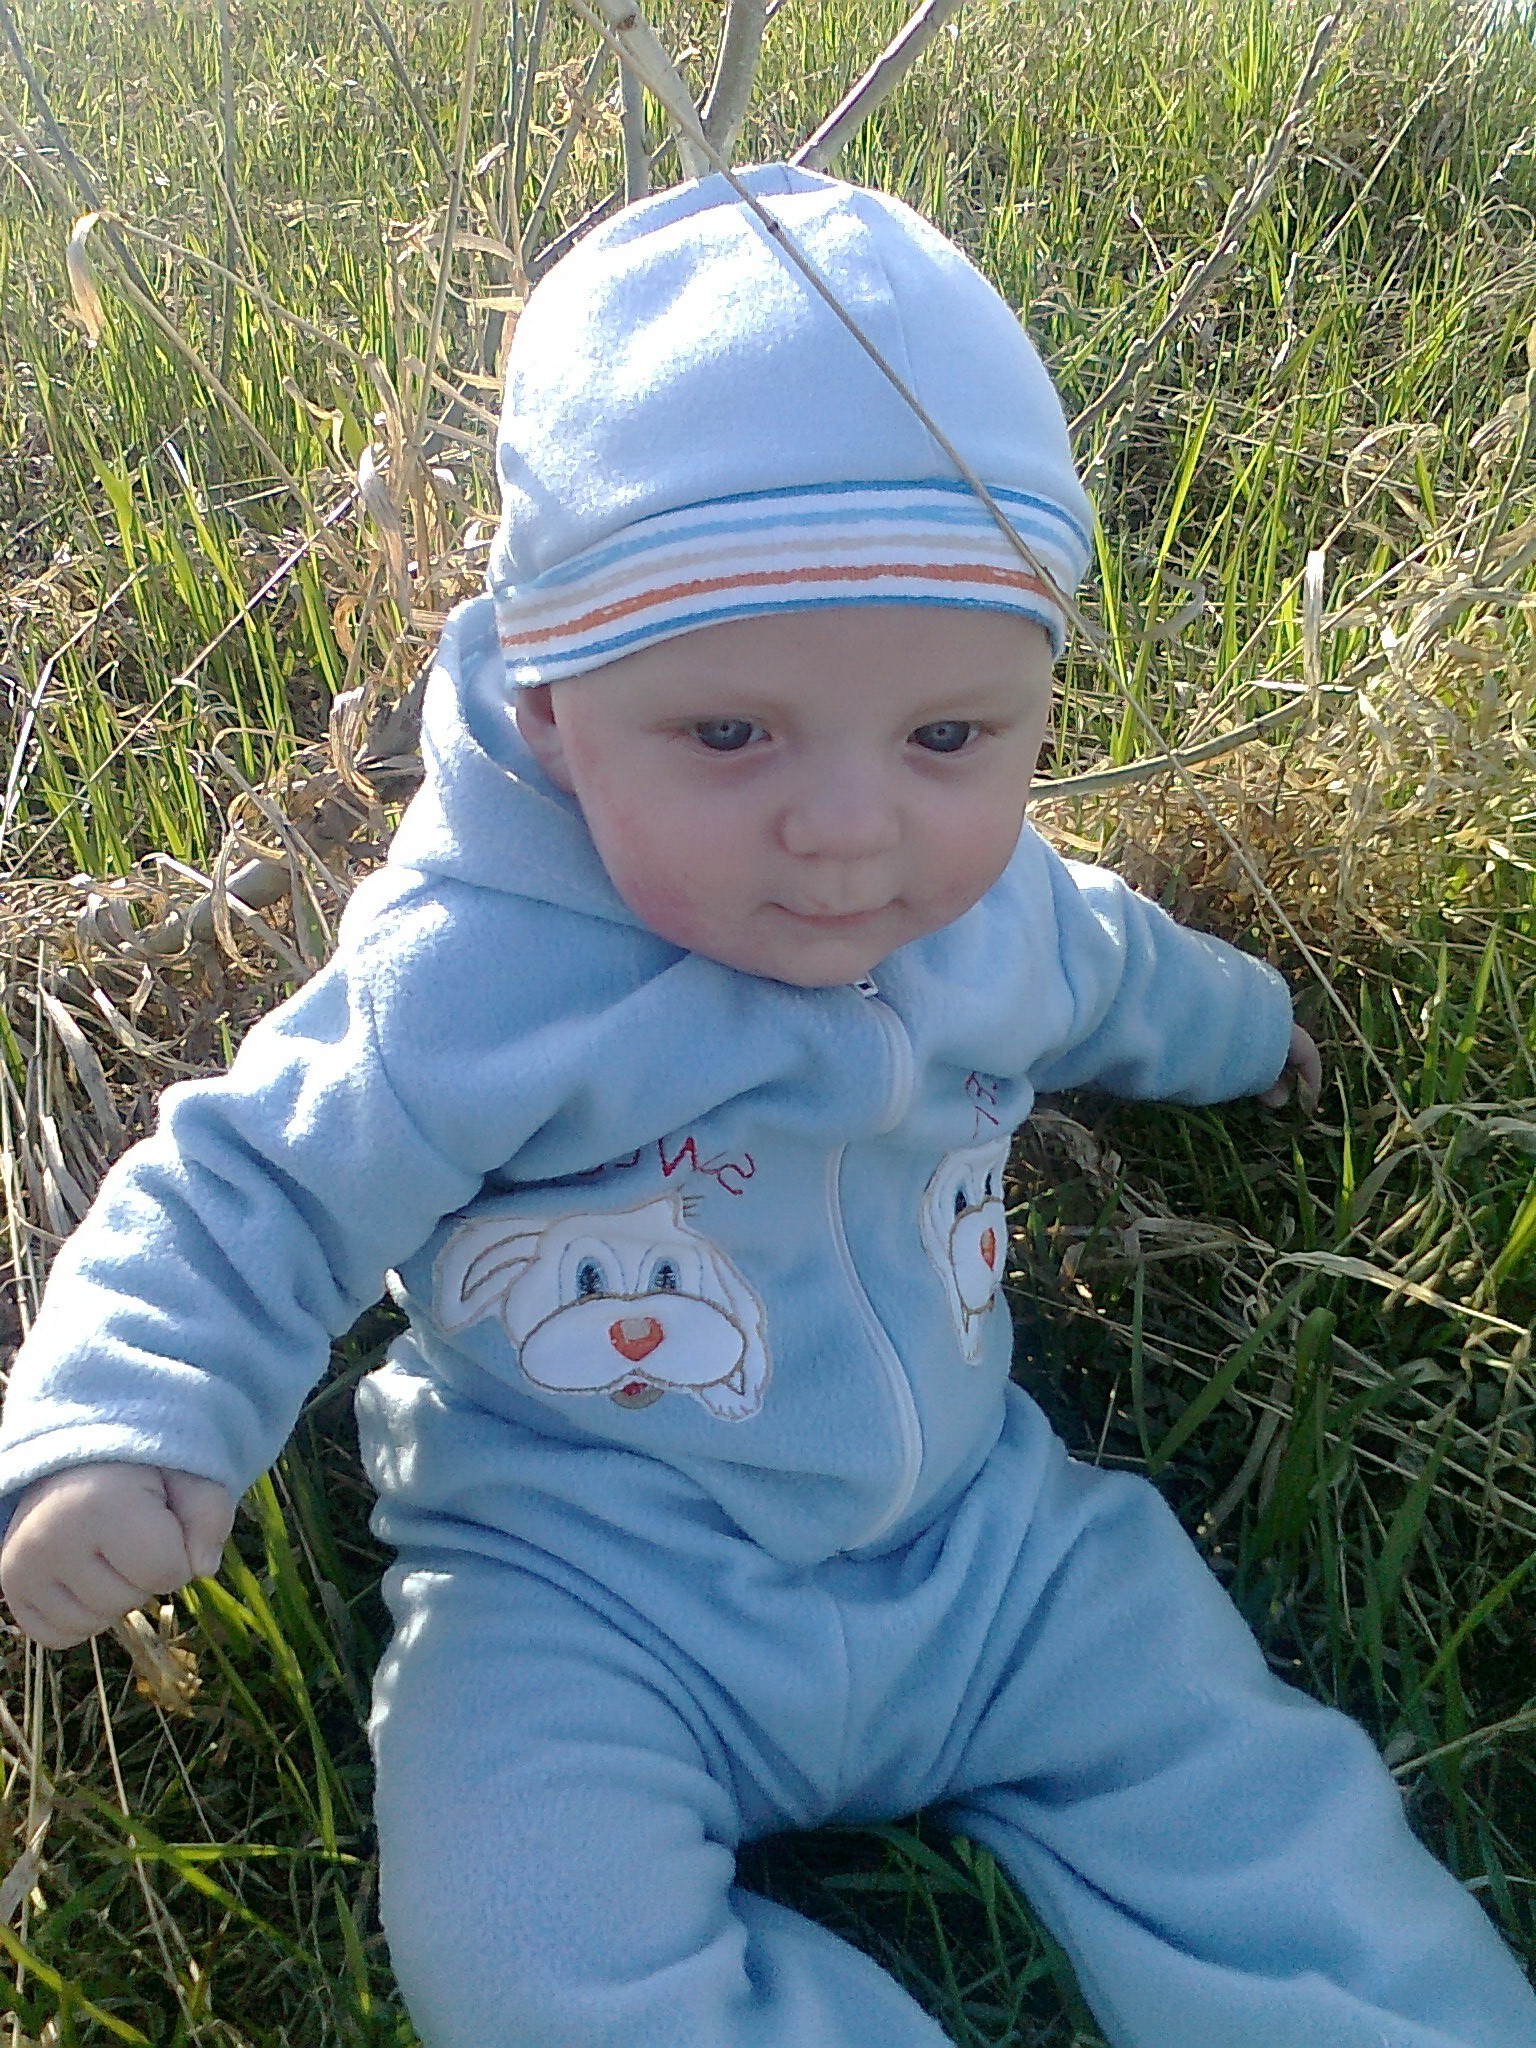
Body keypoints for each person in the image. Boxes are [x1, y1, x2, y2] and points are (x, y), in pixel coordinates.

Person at [1, 163, 1531, 2048]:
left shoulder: (1002, 915)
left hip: (989, 1553)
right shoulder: (475, 971)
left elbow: (1124, 974)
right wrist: (125, 1425)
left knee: (1256, 1802)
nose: (846, 827)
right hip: (585, 1588)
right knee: (527, 1941)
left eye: (950, 738)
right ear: (554, 711)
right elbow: (251, 1189)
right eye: (728, 736)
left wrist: (1252, 1026)